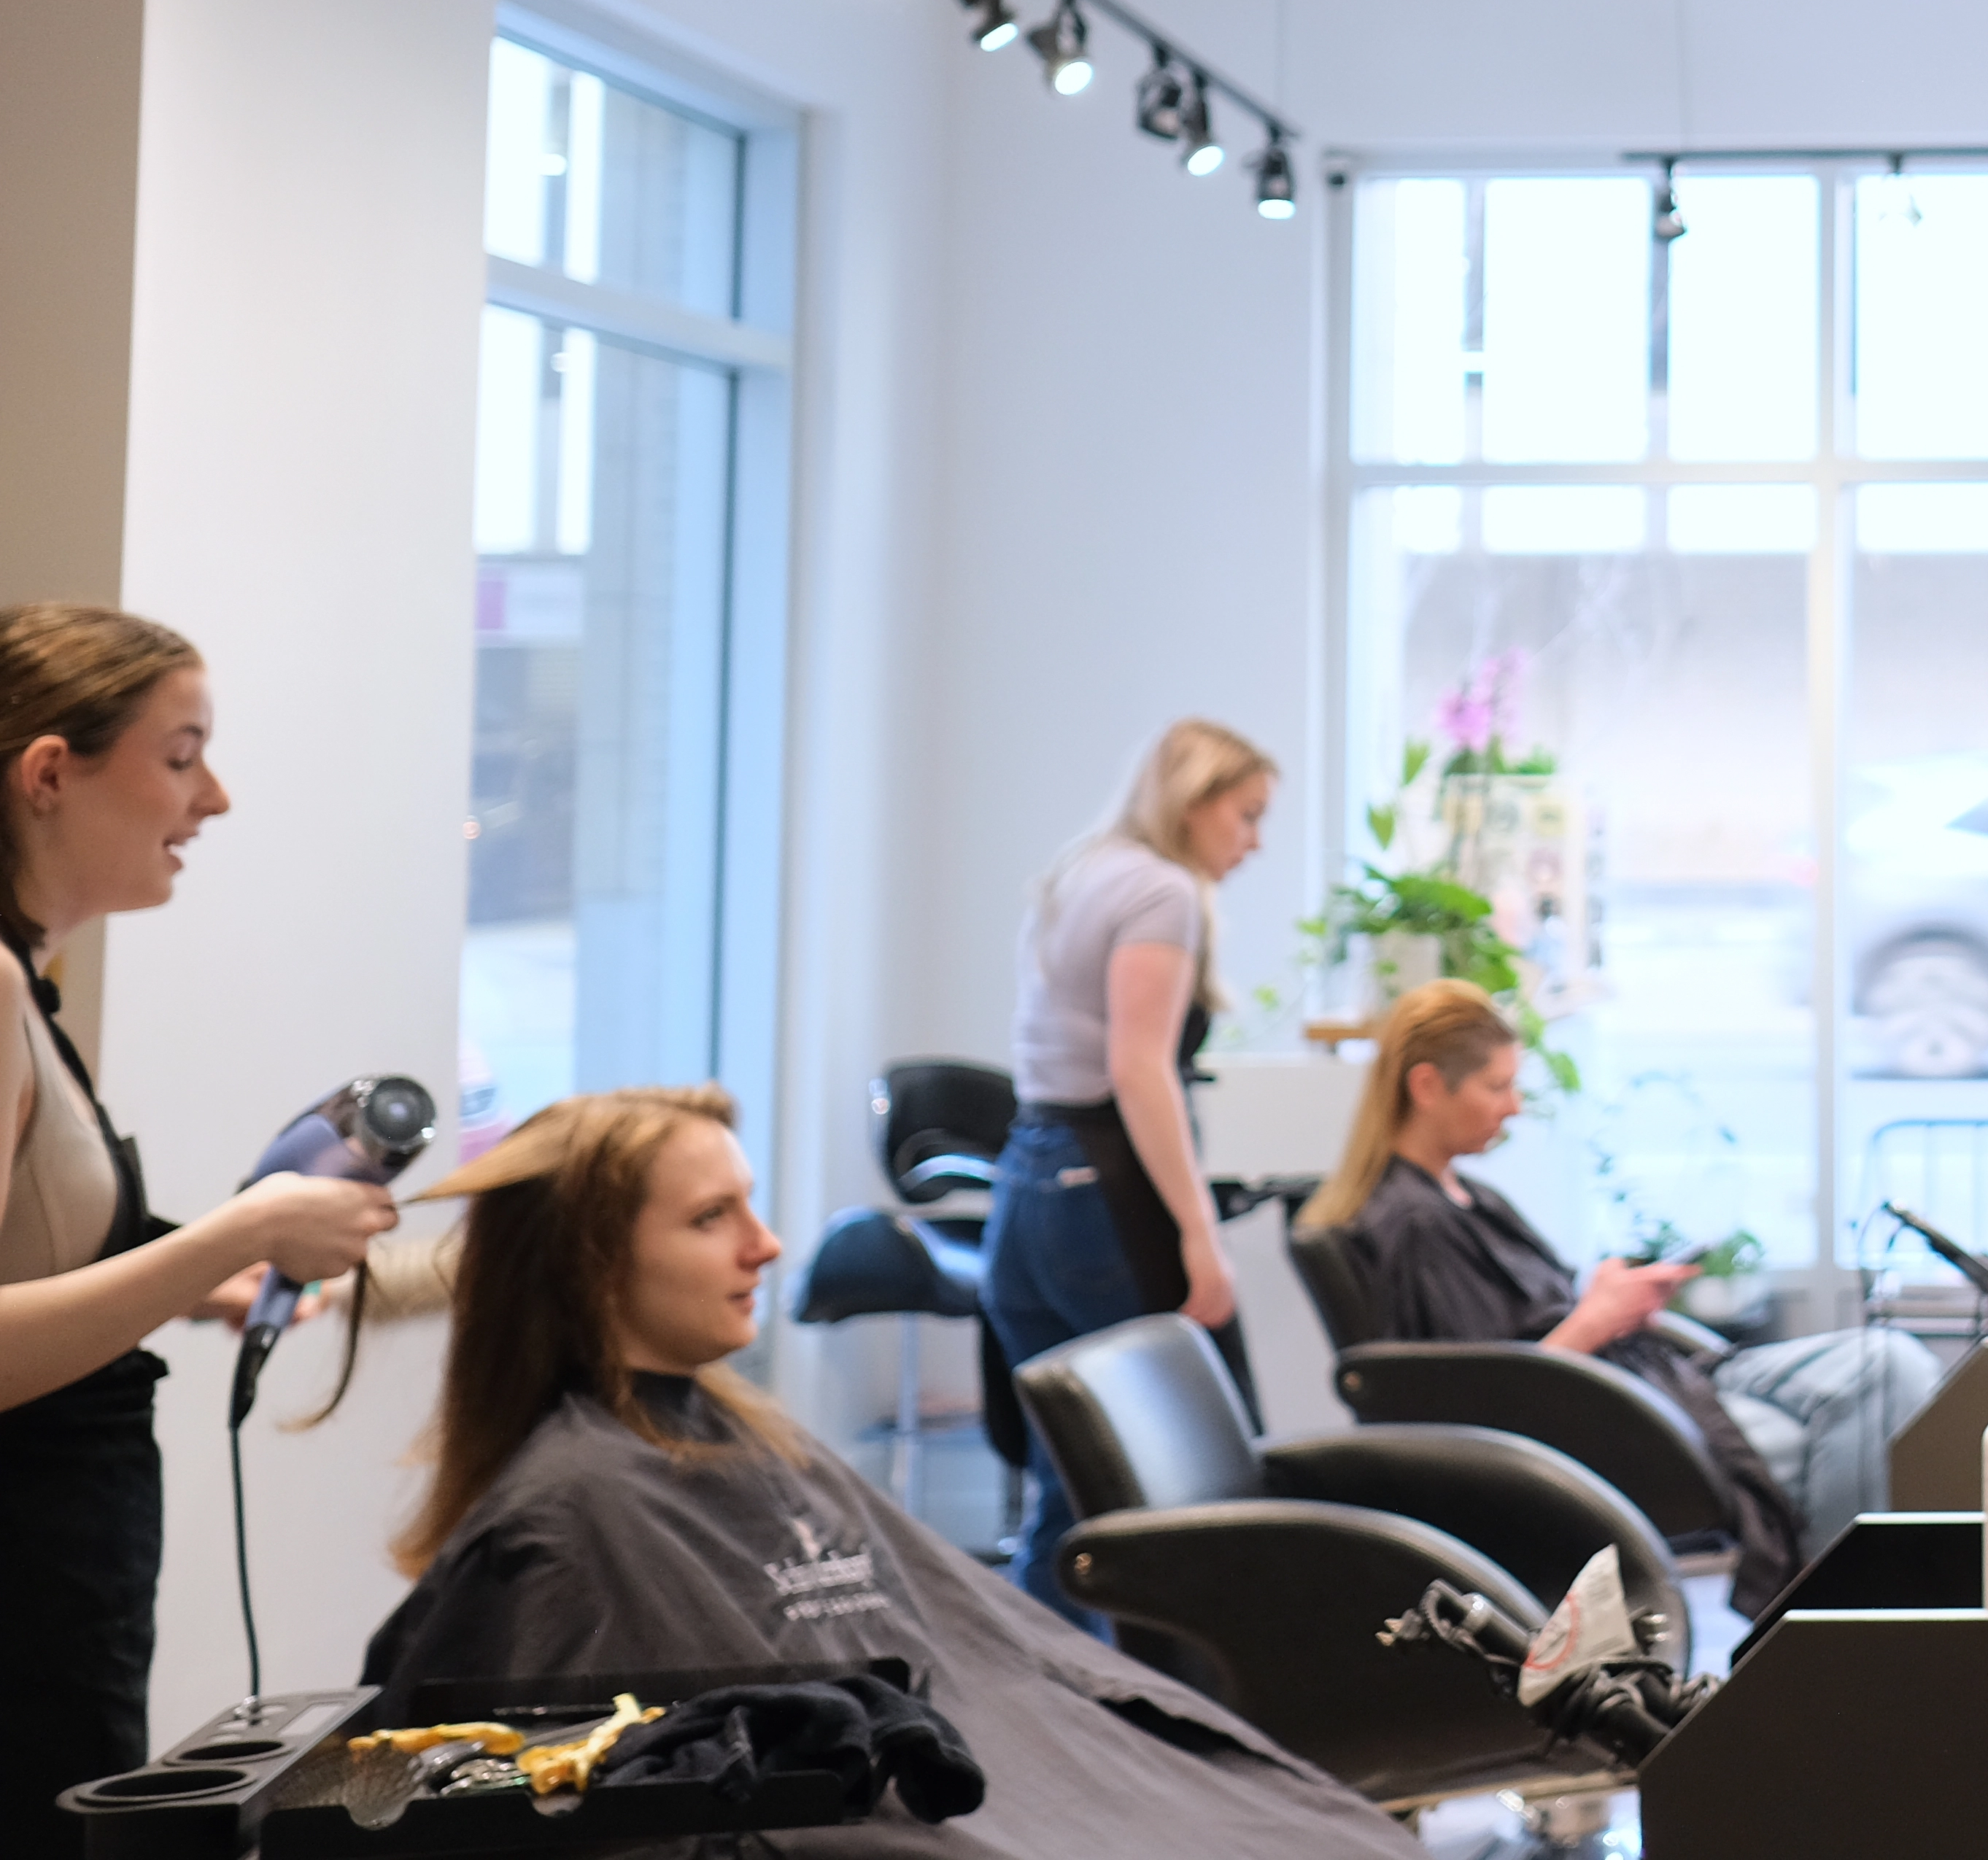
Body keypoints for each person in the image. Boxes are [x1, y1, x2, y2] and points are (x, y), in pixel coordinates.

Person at [360, 1085, 1397, 1858]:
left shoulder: (757, 1443)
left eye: (751, 1206)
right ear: (590, 1264)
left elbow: (999, 1660)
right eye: (711, 1217)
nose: (767, 1246)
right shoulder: (567, 1519)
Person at [0, 606, 398, 1853]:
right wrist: (243, 1230)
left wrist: (200, 1280)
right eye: (181, 756)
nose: (213, 798)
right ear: (51, 774)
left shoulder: (26, 983)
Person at [1302, 983, 1938, 1614]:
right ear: (1426, 1087)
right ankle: (1829, 1634)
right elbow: (1482, 1395)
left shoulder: (1470, 1198)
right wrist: (1596, 1319)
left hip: (1644, 1381)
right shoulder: (1415, 1225)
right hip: (1604, 1422)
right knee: (1863, 1417)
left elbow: (1522, 1329)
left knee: (1887, 1361)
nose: (1515, 1106)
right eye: (1496, 1087)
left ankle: (1834, 1628)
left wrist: (1606, 1300)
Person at [984, 720, 1274, 1619]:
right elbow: (1139, 1068)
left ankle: (1042, 1697)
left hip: (1026, 1183)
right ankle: (1145, 1705)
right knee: (1156, 1466)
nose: (1254, 841)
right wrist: (1199, 1234)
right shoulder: (1162, 891)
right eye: (1247, 815)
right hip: (1100, 1195)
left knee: (1068, 1475)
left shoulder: (1084, 868)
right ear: (1194, 805)